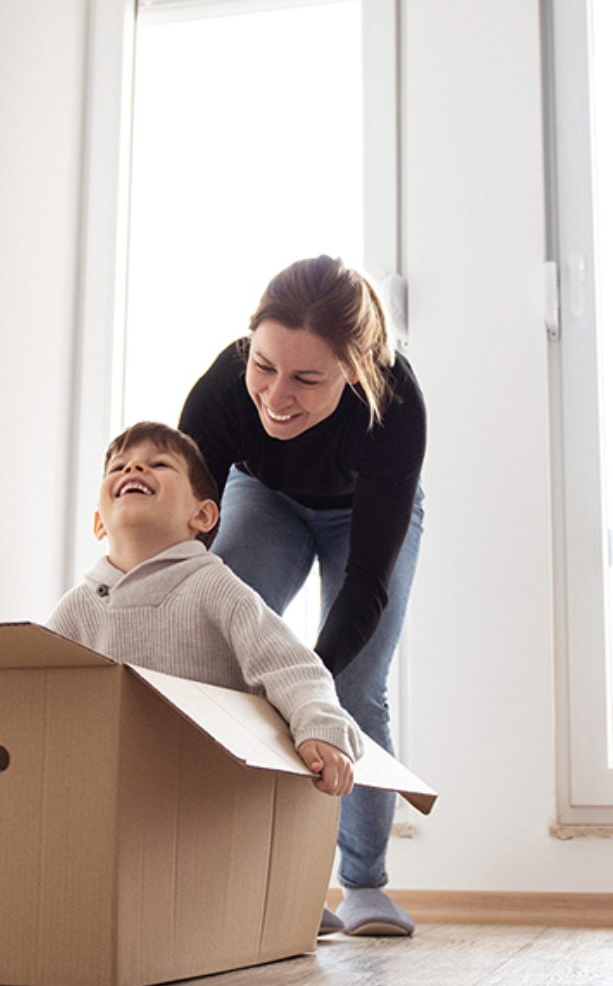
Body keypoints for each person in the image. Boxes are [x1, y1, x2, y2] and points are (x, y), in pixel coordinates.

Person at [179, 255, 427, 937]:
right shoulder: (224, 389)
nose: (276, 395)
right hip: (265, 498)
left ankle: (365, 883)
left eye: (307, 378)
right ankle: (268, 877)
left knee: (350, 687)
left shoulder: (395, 404)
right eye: (265, 366)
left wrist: (309, 685)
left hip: (364, 515)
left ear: (355, 369)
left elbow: (368, 582)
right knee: (227, 661)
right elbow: (180, 544)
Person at [48, 420, 363, 799]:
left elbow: (291, 667)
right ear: (99, 523)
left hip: (207, 796)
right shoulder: (77, 608)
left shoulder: (215, 589)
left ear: (203, 516)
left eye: (159, 464)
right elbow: (37, 692)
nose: (133, 469)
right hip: (110, 793)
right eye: (119, 467)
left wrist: (321, 729)